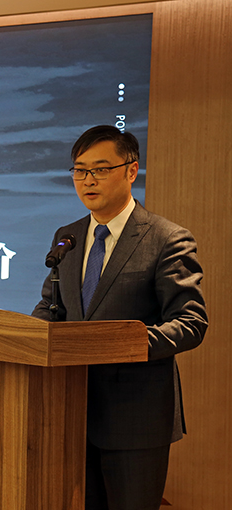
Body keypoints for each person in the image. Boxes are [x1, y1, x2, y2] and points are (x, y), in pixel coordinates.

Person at [31, 125, 208, 510]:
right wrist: (28, 337)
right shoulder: (68, 237)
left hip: (136, 419)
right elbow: (51, 308)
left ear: (131, 171)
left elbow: (190, 322)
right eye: (80, 170)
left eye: (100, 169)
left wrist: (123, 342)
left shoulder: (166, 238)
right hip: (70, 410)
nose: (88, 181)